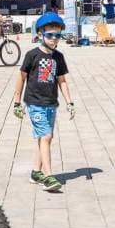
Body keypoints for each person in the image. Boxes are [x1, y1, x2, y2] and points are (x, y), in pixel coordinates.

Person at [12, 12, 74, 193]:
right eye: (50, 35)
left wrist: (70, 102)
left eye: (57, 35)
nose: (54, 39)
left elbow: (62, 81)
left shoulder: (59, 57)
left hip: (51, 103)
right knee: (45, 136)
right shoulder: (32, 55)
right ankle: (48, 177)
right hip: (34, 102)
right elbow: (21, 78)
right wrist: (17, 103)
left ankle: (35, 173)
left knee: (45, 138)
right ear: (40, 35)